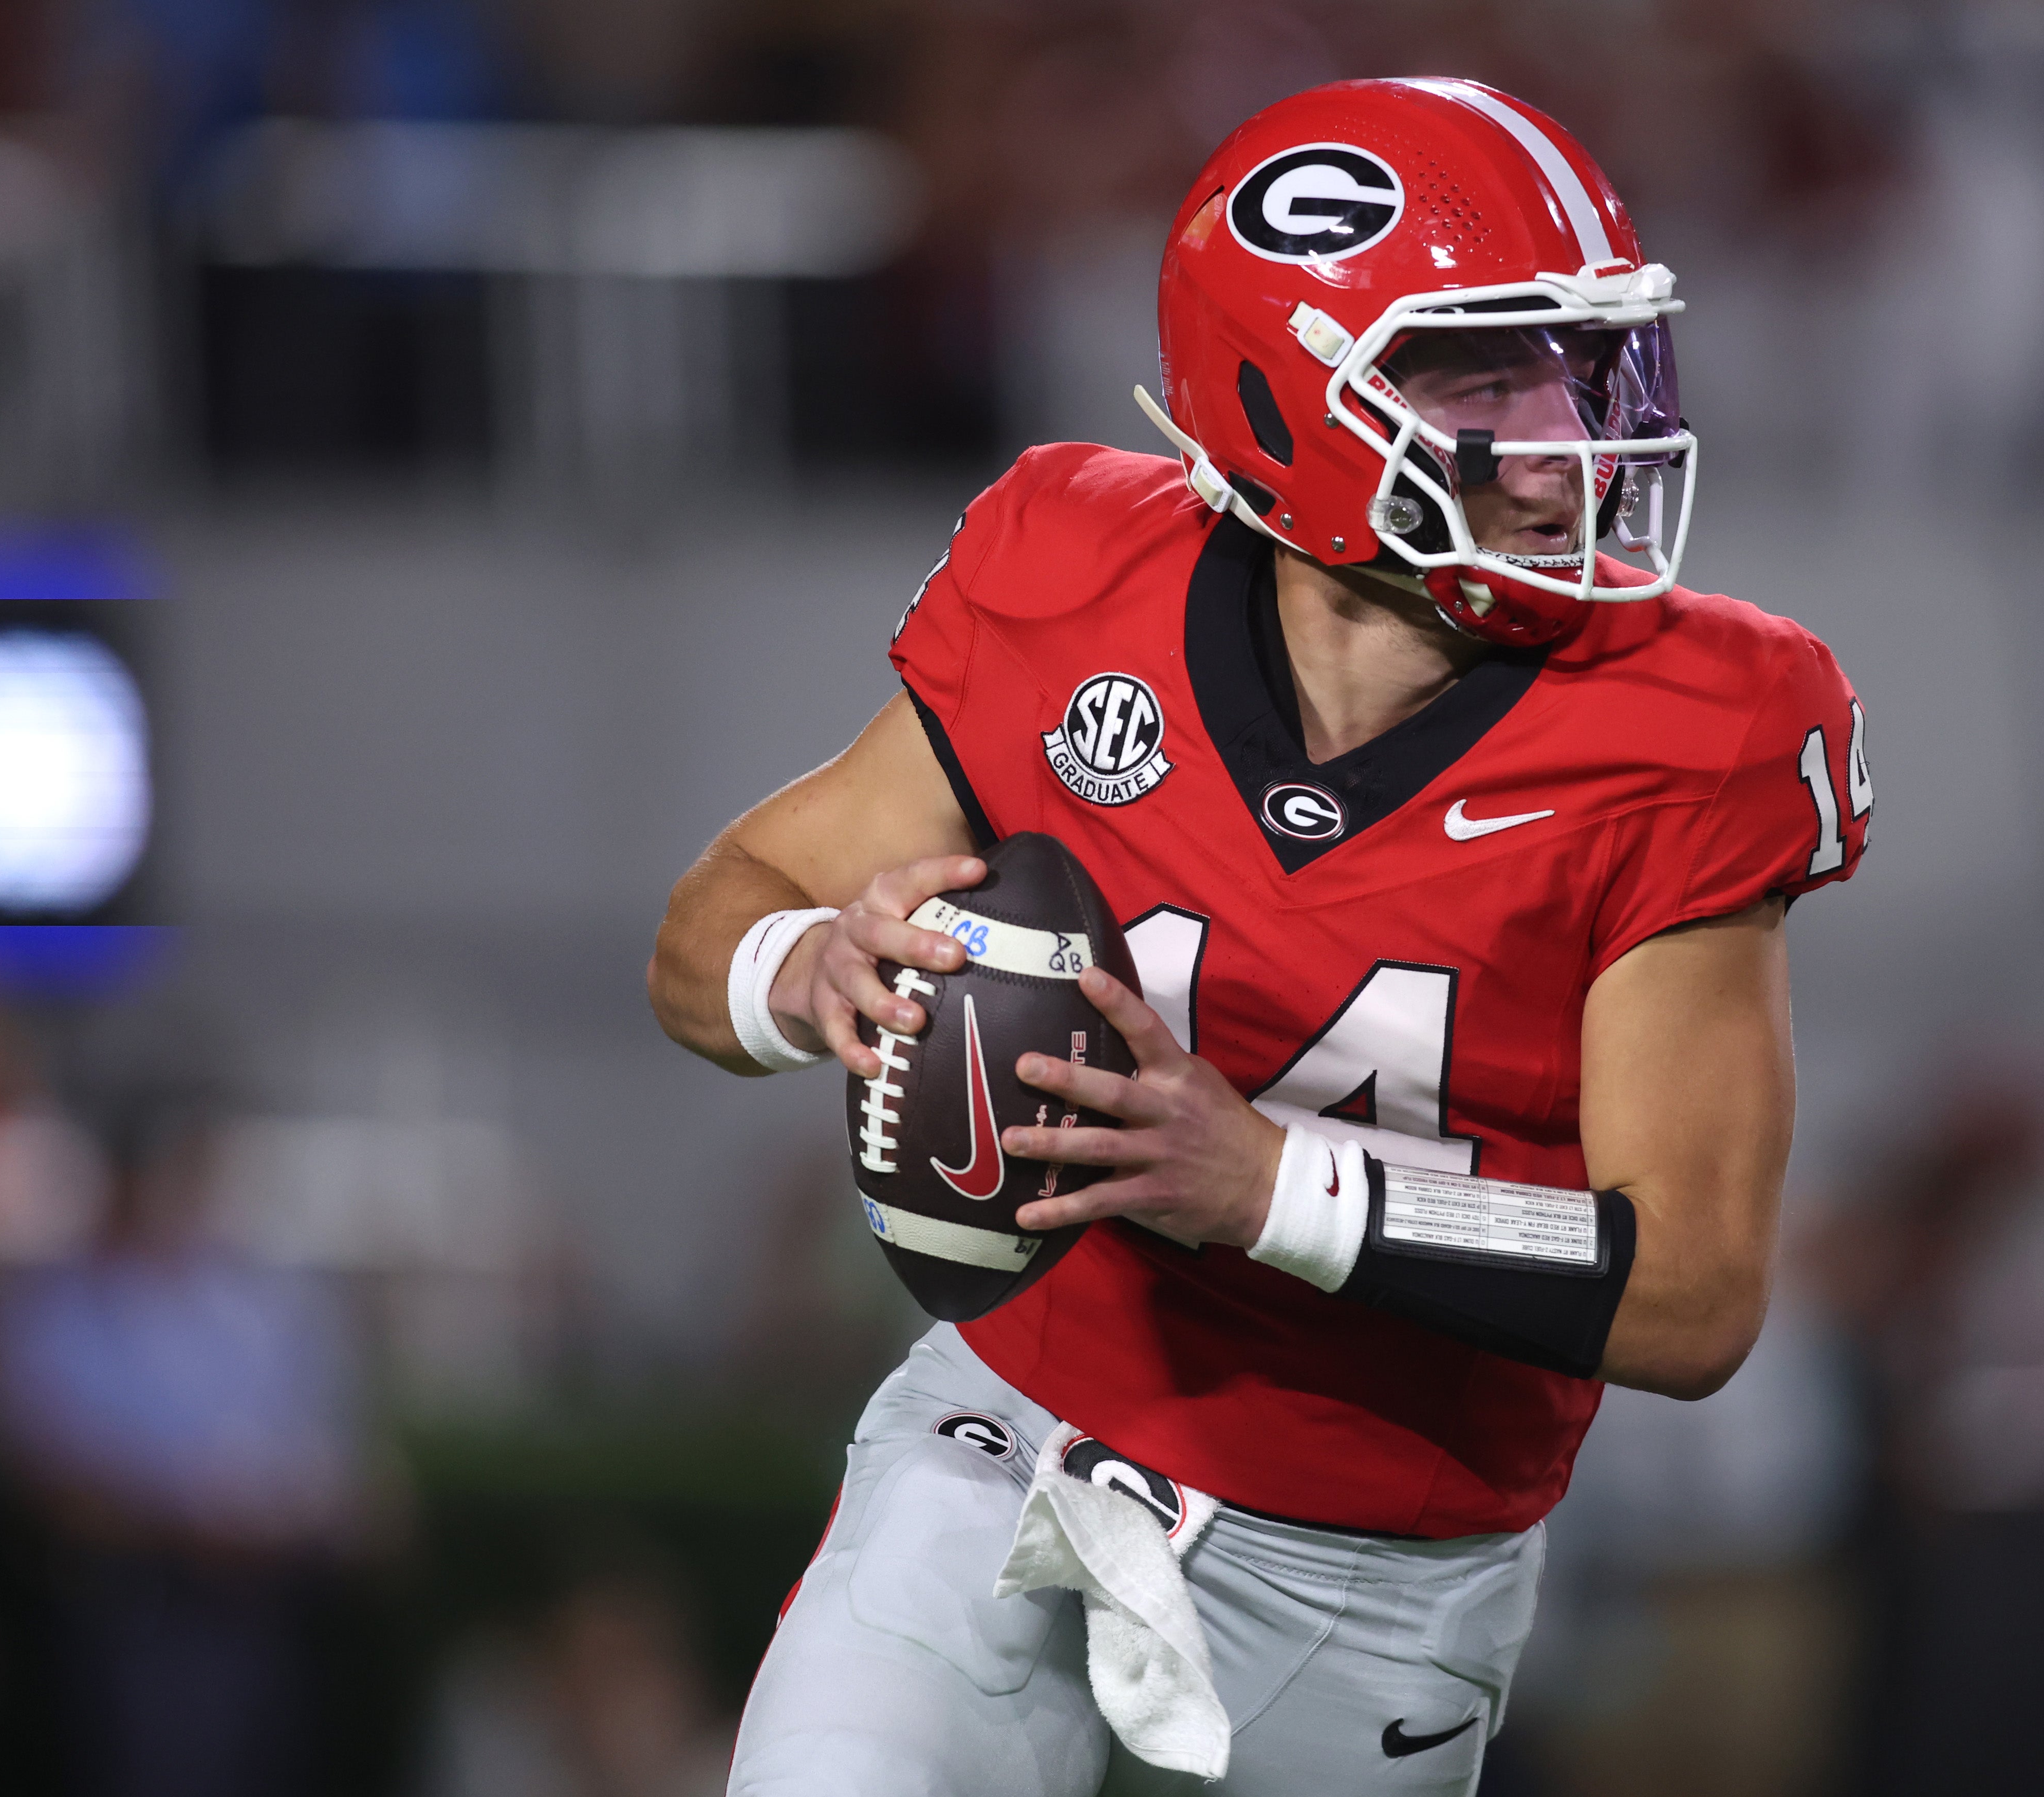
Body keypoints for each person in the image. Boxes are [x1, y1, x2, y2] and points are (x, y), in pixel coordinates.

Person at [649, 78, 1871, 1797]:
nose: (1567, 435)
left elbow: (1694, 1291)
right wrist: (811, 974)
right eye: (1486, 374)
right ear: (1285, 404)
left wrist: (1269, 1185)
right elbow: (705, 933)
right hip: (1008, 1446)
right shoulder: (1073, 573)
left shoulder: (1697, 721)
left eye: (1580, 365)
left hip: (1375, 1582)